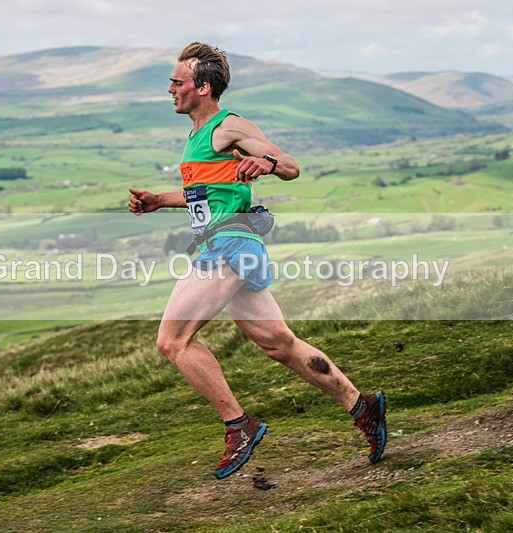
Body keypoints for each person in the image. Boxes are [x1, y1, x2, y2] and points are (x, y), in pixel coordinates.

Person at [128, 42, 386, 479]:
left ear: (203, 86)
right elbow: (206, 194)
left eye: (177, 81)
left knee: (173, 342)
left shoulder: (229, 126)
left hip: (228, 247)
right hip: (230, 245)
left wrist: (265, 163)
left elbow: (289, 165)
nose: (169, 88)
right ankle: (363, 408)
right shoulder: (197, 135)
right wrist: (160, 200)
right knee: (278, 344)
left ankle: (238, 424)